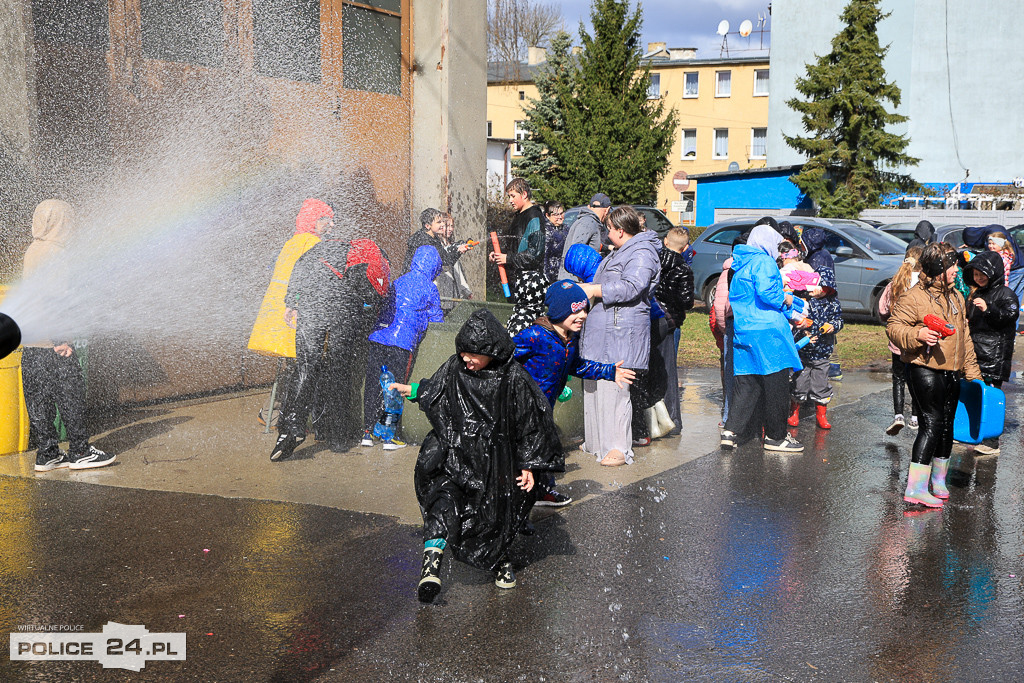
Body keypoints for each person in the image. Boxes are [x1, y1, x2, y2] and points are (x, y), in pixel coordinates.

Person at [389, 309, 563, 602]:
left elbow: (531, 423)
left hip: (497, 464)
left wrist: (529, 466)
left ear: (491, 351)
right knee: (443, 502)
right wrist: (414, 389)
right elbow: (437, 388)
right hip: (455, 453)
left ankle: (499, 561)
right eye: (463, 353)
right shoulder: (456, 367)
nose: (466, 359)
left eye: (473, 354)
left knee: (495, 518)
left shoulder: (513, 379)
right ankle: (431, 567)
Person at [270, 232, 391, 461]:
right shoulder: (369, 258)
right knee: (339, 371)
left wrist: (290, 303)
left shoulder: (321, 249)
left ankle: (294, 427)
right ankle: (338, 439)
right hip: (344, 310)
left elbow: (299, 272)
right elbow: (370, 298)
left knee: (306, 366)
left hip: (312, 304)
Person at [513, 280, 636, 505]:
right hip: (524, 406)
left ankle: (542, 491)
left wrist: (609, 372)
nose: (583, 315)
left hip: (545, 405)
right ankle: (519, 495)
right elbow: (505, 354)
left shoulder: (569, 339)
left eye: (584, 309)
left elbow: (576, 365)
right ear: (559, 311)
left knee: (545, 446)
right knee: (527, 448)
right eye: (575, 311)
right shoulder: (535, 336)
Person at [23, 199, 115, 472]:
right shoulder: (57, 253)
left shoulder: (33, 249)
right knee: (70, 396)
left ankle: (47, 453)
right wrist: (61, 338)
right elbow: (55, 299)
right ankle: (80, 451)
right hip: (55, 342)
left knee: (39, 399)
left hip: (32, 342)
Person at [887, 243, 982, 508]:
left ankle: (938, 481)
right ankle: (915, 488)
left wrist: (974, 375)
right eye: (951, 265)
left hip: (951, 372)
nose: (956, 270)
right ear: (938, 269)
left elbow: (965, 338)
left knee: (947, 426)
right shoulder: (914, 297)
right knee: (932, 424)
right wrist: (917, 334)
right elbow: (894, 328)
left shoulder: (957, 297)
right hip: (924, 368)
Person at [577, 205, 661, 466]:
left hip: (621, 332)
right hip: (602, 332)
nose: (606, 233)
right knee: (595, 384)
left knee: (616, 389)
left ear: (621, 231)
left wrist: (593, 289)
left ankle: (618, 448)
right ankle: (595, 441)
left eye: (609, 229)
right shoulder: (620, 251)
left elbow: (633, 286)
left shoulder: (643, 252)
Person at [719, 223, 804, 452]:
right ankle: (776, 437)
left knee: (747, 381)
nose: (778, 250)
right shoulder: (764, 261)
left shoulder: (739, 262)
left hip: (744, 328)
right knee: (776, 383)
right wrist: (786, 299)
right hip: (768, 332)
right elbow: (768, 293)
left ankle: (730, 430)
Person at [247, 199, 333, 424]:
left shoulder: (291, 242)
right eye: (326, 220)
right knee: (305, 365)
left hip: (276, 317)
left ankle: (273, 412)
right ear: (313, 221)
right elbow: (311, 282)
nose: (331, 225)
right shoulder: (312, 243)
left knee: (291, 366)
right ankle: (299, 418)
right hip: (294, 316)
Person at [361, 244, 445, 450]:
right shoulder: (429, 287)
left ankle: (367, 433)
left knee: (374, 385)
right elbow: (438, 320)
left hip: (379, 337)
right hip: (402, 343)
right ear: (435, 266)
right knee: (395, 388)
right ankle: (389, 437)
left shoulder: (398, 281)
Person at [963, 250, 1018, 455]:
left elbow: (1010, 314)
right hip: (976, 352)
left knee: (992, 396)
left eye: (982, 275)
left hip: (994, 356)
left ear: (993, 272)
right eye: (976, 275)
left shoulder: (1005, 293)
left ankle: (992, 441)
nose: (978, 278)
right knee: (975, 394)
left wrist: (989, 309)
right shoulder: (976, 293)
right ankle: (974, 433)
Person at [788, 227, 843, 430]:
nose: (819, 292)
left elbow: (839, 319)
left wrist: (832, 326)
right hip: (804, 349)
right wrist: (802, 328)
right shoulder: (803, 301)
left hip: (822, 350)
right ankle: (794, 409)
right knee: (800, 382)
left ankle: (821, 414)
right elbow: (795, 319)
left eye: (824, 289)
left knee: (821, 383)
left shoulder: (831, 302)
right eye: (817, 287)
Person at [650, 227, 694, 436]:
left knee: (651, 366)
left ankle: (650, 420)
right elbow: (686, 301)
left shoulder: (653, 261)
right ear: (685, 247)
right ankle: (671, 419)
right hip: (670, 322)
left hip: (650, 318)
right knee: (668, 369)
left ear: (665, 241)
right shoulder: (683, 268)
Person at [489, 178, 548, 336]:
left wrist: (507, 259)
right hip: (516, 282)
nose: (510, 200)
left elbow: (534, 255)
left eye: (513, 196)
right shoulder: (518, 216)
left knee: (522, 329)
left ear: (524, 194)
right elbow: (513, 247)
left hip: (530, 283)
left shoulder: (534, 216)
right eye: (509, 197)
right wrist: (498, 256)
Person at [877, 246, 924, 435]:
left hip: (897, 339)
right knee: (916, 378)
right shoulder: (923, 284)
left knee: (898, 377)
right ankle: (915, 417)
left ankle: (898, 416)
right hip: (918, 338)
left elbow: (882, 309)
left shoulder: (895, 283)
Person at [557, 193, 610, 281]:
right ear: (607, 210)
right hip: (574, 281)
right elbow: (576, 251)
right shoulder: (588, 222)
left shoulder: (588, 221)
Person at [405, 208, 470, 274]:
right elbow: (444, 262)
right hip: (414, 280)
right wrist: (458, 251)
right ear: (427, 226)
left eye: (442, 222)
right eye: (439, 222)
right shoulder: (424, 242)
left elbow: (446, 260)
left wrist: (459, 250)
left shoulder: (433, 239)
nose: (442, 224)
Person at [434, 212, 473, 312]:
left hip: (453, 295)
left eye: (452, 226)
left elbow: (458, 271)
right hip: (441, 295)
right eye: (448, 226)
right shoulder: (437, 246)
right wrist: (457, 248)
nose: (451, 229)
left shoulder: (451, 246)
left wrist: (466, 290)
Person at [542, 201, 570, 284]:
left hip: (564, 274)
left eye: (561, 213)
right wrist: (546, 279)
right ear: (547, 215)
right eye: (556, 215)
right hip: (551, 277)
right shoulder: (546, 231)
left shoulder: (566, 228)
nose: (560, 217)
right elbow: (544, 258)